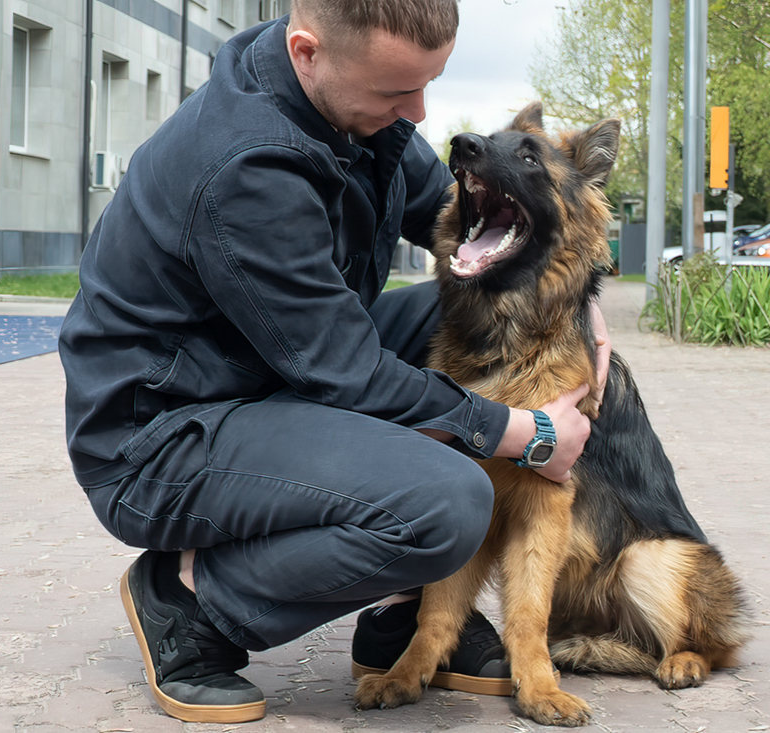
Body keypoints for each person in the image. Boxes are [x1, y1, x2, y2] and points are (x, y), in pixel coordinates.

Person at [58, 0, 610, 723]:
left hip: (265, 375)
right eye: (395, 93)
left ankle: (397, 618)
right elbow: (345, 370)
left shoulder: (351, 104)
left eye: (426, 84)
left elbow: (444, 215)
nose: (416, 111)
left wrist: (578, 306)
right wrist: (529, 433)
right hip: (163, 436)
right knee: (447, 503)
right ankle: (191, 603)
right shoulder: (245, 167)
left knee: (496, 322)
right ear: (309, 51)